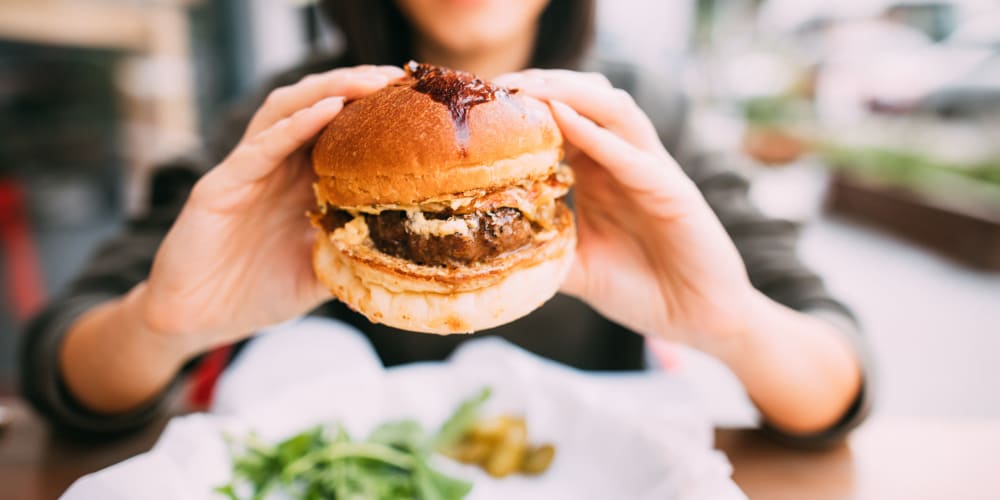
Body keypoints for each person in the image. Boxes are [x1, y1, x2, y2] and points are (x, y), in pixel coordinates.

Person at [20, 0, 870, 445]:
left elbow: (839, 377)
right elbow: (59, 370)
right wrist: (164, 325)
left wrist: (732, 324)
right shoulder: (294, 122)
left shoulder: (635, 117)